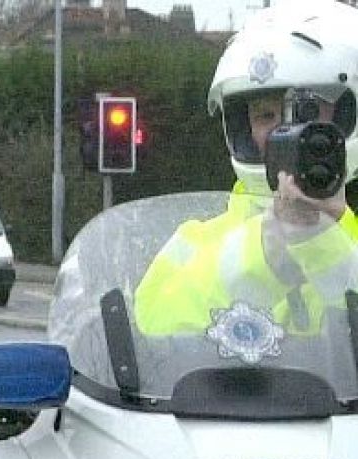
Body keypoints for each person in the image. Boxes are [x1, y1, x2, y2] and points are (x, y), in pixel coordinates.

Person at [135, 0, 358, 335]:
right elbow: (150, 330)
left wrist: (322, 242)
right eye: (264, 115)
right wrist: (263, 256)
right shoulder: (197, 240)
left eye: (307, 113)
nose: (280, 132)